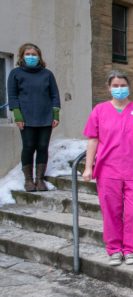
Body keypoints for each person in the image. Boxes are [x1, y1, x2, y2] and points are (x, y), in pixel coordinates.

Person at [82, 71, 133, 266]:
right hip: (108, 170)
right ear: (109, 88)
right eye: (115, 86)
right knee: (111, 211)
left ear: (129, 87)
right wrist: (88, 167)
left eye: (122, 85)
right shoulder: (99, 111)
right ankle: (114, 249)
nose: (119, 89)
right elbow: (93, 140)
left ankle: (130, 249)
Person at [7, 43, 60, 192]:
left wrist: (55, 114)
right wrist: (17, 115)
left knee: (42, 147)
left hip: (46, 116)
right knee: (29, 146)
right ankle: (29, 180)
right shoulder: (15, 73)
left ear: (39, 56)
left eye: (34, 54)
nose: (31, 57)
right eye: (28, 54)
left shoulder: (47, 74)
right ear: (22, 56)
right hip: (26, 117)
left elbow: (54, 95)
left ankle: (40, 179)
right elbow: (12, 96)